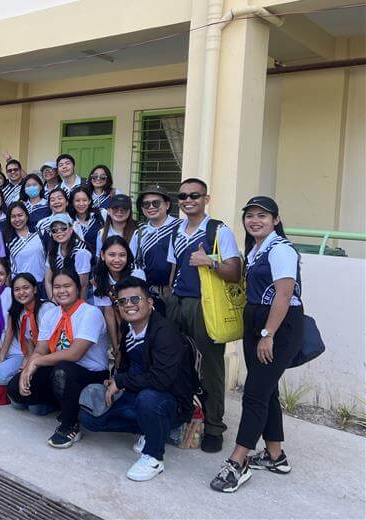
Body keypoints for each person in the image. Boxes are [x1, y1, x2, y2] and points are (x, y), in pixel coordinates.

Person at [210, 196, 303, 493]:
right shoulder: (256, 249)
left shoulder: (281, 249)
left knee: (254, 393)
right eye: (250, 216)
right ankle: (275, 455)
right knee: (266, 389)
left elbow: (284, 295)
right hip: (257, 323)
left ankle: (239, 461)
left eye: (262, 215)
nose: (255, 220)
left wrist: (269, 334)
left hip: (278, 326)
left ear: (275, 220)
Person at [80, 276, 197, 481]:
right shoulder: (128, 328)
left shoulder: (165, 332)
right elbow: (128, 365)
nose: (129, 305)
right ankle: (150, 428)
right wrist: (116, 381)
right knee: (90, 419)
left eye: (135, 300)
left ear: (149, 303)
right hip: (138, 394)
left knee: (148, 399)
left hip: (170, 401)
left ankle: (154, 455)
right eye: (122, 301)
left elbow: (162, 379)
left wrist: (122, 382)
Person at [166, 177, 241, 453]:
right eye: (183, 196)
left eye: (194, 196)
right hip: (177, 302)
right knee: (175, 361)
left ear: (205, 199)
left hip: (205, 306)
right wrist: (168, 300)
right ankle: (182, 415)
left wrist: (210, 262)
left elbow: (234, 272)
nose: (188, 200)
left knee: (210, 366)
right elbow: (174, 271)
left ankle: (213, 427)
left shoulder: (218, 230)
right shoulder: (177, 230)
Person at [7, 268, 109, 448]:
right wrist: (29, 367)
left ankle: (70, 425)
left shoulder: (90, 313)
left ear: (77, 288)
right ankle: (61, 403)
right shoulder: (51, 314)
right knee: (15, 388)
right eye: (57, 287)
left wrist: (36, 361)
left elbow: (74, 354)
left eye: (67, 286)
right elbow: (40, 350)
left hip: (90, 373)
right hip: (60, 370)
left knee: (63, 370)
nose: (62, 291)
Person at [93, 236, 147, 359]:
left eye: (122, 255)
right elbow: (109, 312)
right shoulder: (99, 278)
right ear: (102, 255)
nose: (117, 260)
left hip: (139, 319)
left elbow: (142, 307)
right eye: (112, 255)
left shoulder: (136, 273)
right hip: (118, 319)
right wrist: (116, 345)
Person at [136, 185, 178, 299]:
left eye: (156, 203)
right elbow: (137, 262)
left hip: (176, 292)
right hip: (149, 292)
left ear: (167, 205)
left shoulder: (180, 227)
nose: (151, 207)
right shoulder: (140, 232)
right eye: (146, 204)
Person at [44, 213, 92, 300]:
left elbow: (84, 285)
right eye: (54, 230)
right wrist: (53, 301)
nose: (59, 232)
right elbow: (47, 280)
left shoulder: (80, 251)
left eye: (63, 228)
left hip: (85, 297)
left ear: (71, 229)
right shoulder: (53, 249)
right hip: (62, 296)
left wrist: (79, 308)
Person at [5, 202, 46, 287]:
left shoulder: (39, 232)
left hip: (42, 283)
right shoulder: (7, 240)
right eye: (13, 216)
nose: (17, 219)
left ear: (26, 216)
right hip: (21, 287)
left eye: (20, 215)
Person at [70, 185, 104, 256]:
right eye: (77, 201)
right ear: (72, 202)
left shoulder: (101, 214)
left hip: (103, 261)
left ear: (89, 201)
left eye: (84, 200)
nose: (81, 204)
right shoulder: (70, 222)